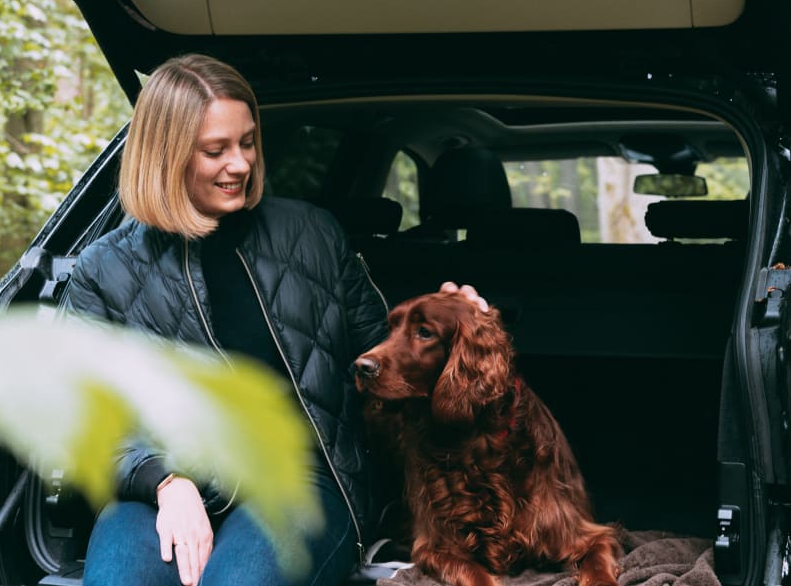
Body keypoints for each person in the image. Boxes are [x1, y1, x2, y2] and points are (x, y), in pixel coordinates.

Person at [65, 53, 487, 586]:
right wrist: (165, 483)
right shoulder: (103, 268)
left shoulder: (312, 233)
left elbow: (380, 358)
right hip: (161, 485)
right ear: (165, 155)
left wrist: (454, 323)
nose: (240, 164)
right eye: (215, 150)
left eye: (246, 142)